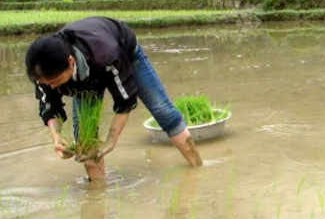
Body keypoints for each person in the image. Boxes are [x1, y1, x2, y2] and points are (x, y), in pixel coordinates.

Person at [25, 17, 203, 180]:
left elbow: (125, 101)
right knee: (85, 141)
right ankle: (97, 195)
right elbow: (50, 106)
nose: (53, 87)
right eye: (45, 83)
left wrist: (110, 142)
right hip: (85, 72)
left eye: (56, 81)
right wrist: (56, 137)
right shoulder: (43, 71)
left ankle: (198, 170)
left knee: (163, 111)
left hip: (123, 52)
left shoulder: (107, 54)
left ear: (70, 62)